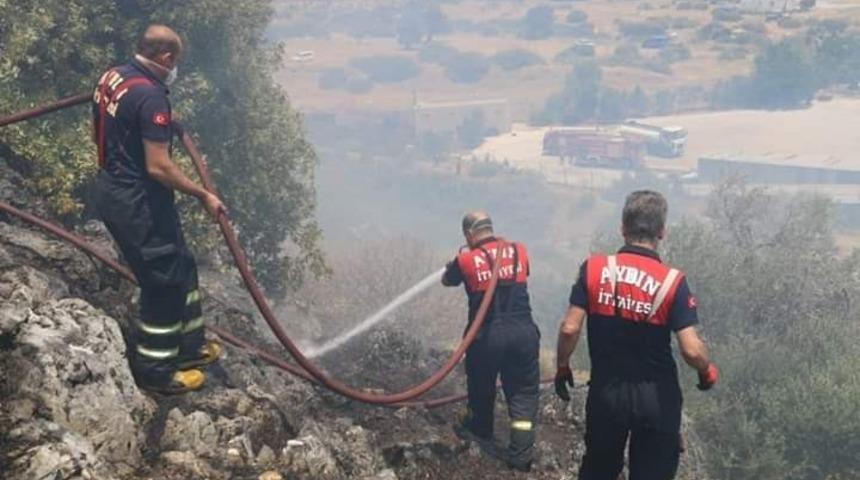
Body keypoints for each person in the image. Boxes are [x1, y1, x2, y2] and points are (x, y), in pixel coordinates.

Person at [91, 25, 225, 394]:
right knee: (162, 282)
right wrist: (203, 194)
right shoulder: (150, 97)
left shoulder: (114, 76)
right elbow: (159, 166)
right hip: (135, 199)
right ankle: (156, 369)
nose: (175, 69)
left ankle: (190, 347)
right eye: (175, 62)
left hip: (120, 188)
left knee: (182, 263)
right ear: (165, 58)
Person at [554, 190, 718, 480]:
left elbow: (569, 328)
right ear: (662, 232)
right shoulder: (672, 282)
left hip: (606, 393)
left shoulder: (593, 269)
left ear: (623, 227)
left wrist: (562, 366)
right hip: (657, 397)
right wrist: (707, 371)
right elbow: (691, 350)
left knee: (598, 471)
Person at [442, 211, 541, 472]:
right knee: (523, 394)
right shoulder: (519, 250)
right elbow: (522, 273)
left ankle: (481, 431)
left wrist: (455, 260)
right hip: (523, 333)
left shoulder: (465, 260)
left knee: (481, 387)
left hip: (486, 336)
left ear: (468, 235)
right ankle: (520, 455)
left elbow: (447, 280)